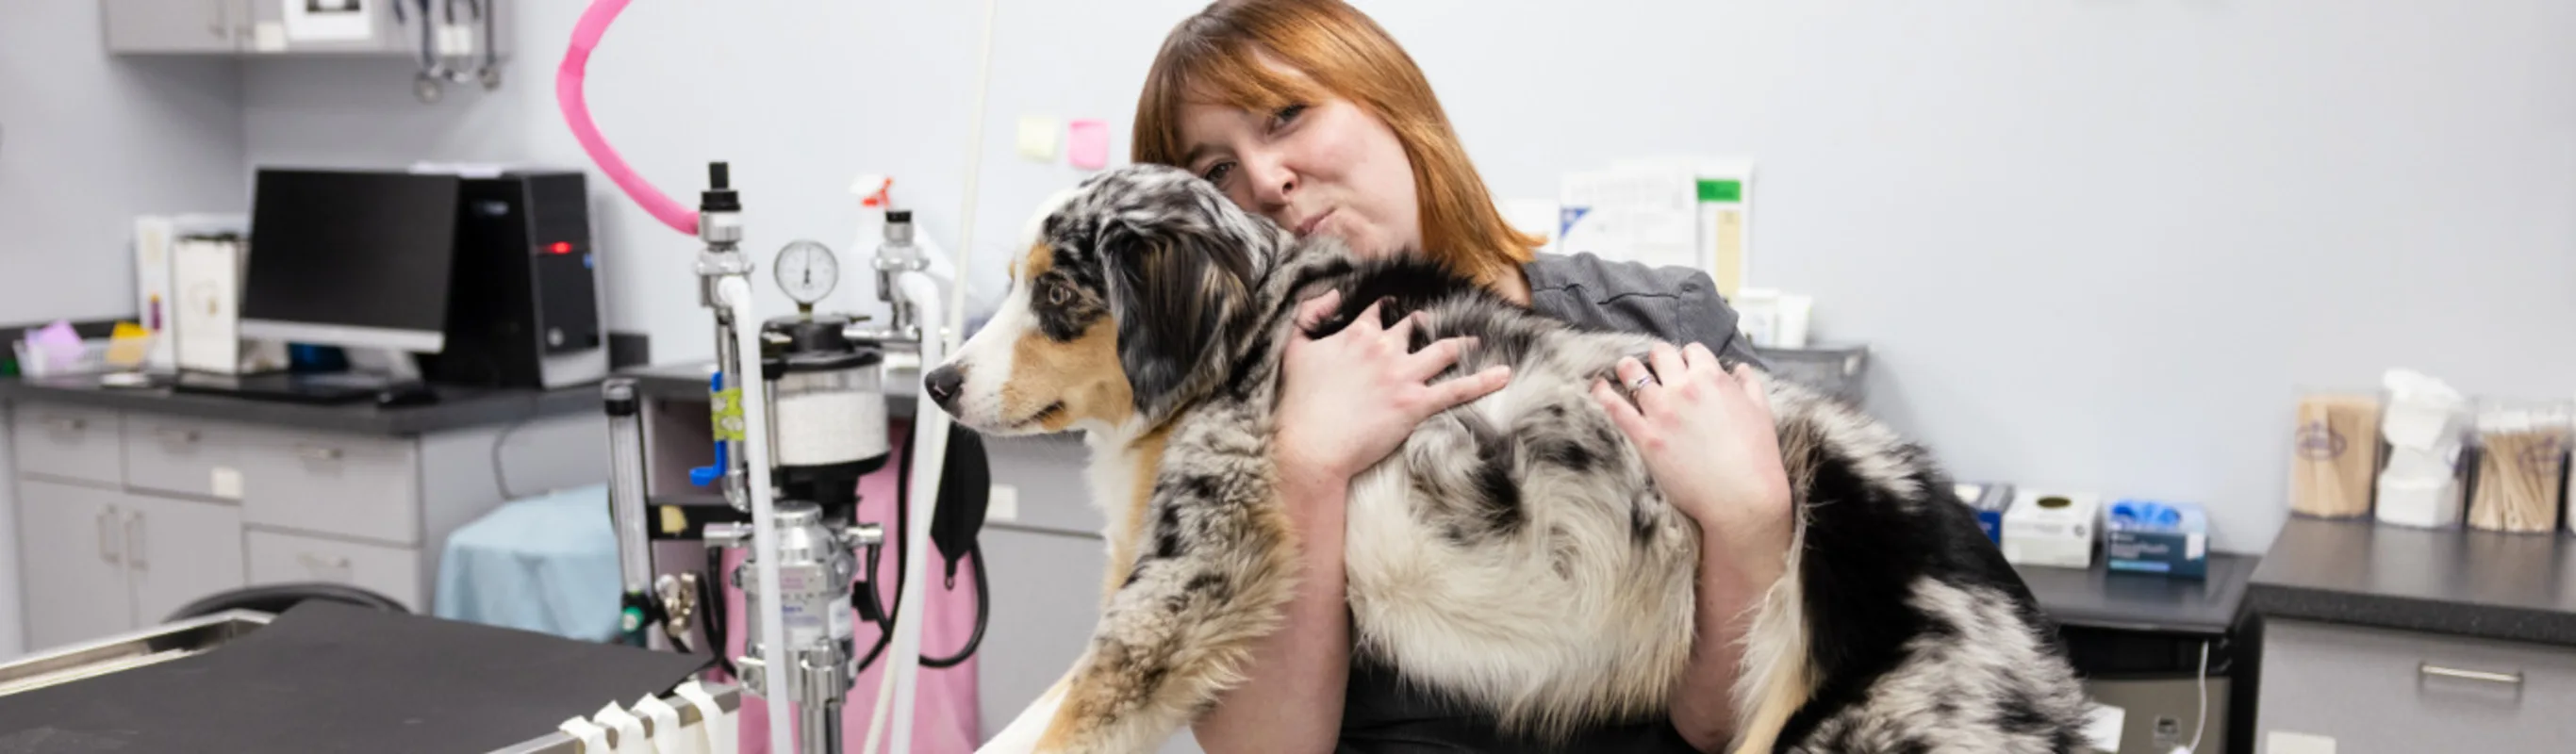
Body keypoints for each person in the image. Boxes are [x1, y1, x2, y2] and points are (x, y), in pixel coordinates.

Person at [1130, 1, 1796, 751]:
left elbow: (1728, 726)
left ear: (1391, 100)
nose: (1265, 179)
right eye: (1215, 170)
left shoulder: (1659, 327)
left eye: (1286, 115)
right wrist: (1306, 463)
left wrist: (1751, 521)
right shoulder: (1228, 414)